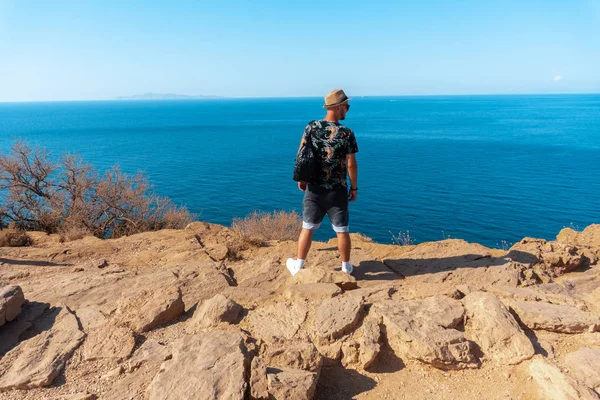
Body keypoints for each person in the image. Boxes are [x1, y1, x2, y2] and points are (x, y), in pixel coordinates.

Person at [287, 88, 359, 276]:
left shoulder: (311, 127)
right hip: (338, 190)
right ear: (337, 107)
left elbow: (301, 153)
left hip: (314, 188)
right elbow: (351, 164)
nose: (348, 109)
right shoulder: (346, 133)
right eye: (346, 106)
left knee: (308, 228)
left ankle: (298, 266)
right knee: (342, 230)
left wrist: (301, 178)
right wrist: (354, 188)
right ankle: (345, 268)